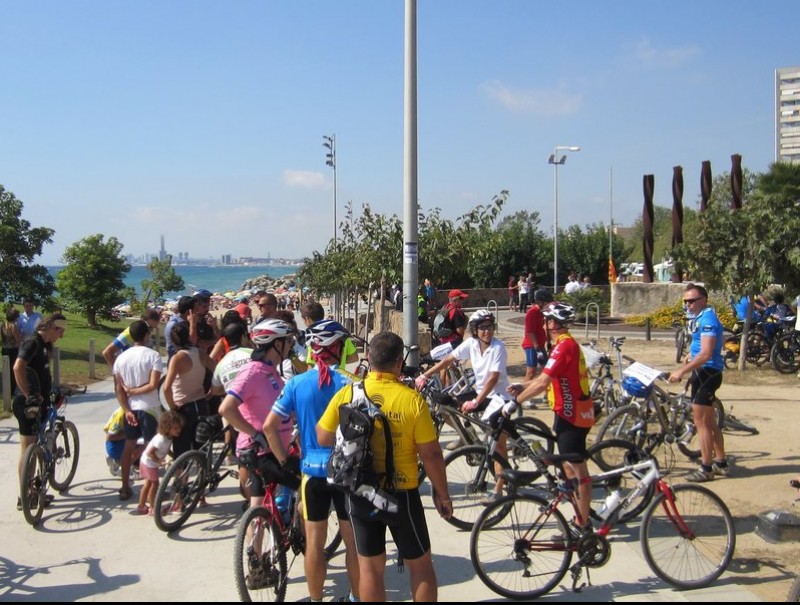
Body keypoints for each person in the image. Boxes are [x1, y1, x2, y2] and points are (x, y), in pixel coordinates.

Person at [317, 331, 452, 602]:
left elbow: (322, 436)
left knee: (370, 570)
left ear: (369, 358)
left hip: (361, 492)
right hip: (401, 493)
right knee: (422, 567)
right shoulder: (411, 400)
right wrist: (443, 495)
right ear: (399, 363)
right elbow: (432, 454)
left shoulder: (348, 393)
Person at [264, 320, 360, 603]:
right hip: (345, 472)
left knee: (315, 544)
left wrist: (285, 461)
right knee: (352, 544)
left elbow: (270, 426)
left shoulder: (296, 383)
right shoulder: (350, 384)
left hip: (311, 473)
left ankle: (317, 599)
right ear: (336, 348)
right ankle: (355, 597)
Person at [507, 302, 595, 533]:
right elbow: (546, 379)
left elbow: (543, 382)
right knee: (567, 466)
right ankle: (578, 509)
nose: (544, 325)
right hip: (564, 412)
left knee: (579, 471)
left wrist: (516, 402)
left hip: (573, 415)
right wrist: (521, 385)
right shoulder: (560, 344)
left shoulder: (564, 347)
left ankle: (582, 525)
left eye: (546, 321)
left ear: (553, 323)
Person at [416, 310, 511, 501]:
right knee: (447, 402)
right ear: (475, 330)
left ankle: (500, 488)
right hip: (481, 394)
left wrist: (475, 402)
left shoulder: (498, 347)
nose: (487, 331)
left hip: (499, 398)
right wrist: (424, 375)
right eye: (482, 328)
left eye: (489, 327)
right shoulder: (472, 344)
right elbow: (449, 360)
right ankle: (469, 436)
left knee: (498, 444)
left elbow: (493, 379)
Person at [219, 319, 299, 512]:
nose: (290, 347)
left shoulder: (270, 370)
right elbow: (226, 408)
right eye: (288, 342)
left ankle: (256, 542)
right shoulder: (253, 371)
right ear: (277, 344)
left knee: (258, 505)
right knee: (307, 490)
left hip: (273, 449)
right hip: (263, 452)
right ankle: (308, 542)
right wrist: (254, 434)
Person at [668, 283, 728, 482]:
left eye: (692, 301)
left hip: (707, 373)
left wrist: (681, 371)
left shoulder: (708, 318)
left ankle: (706, 468)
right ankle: (721, 462)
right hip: (702, 372)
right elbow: (698, 348)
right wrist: (688, 356)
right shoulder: (699, 317)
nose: (688, 305)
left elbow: (706, 354)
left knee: (701, 424)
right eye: (685, 301)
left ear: (704, 300)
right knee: (710, 423)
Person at [12, 313, 67, 510]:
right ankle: (25, 497)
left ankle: (34, 492)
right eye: (60, 331)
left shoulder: (44, 345)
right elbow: (18, 367)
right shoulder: (32, 342)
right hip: (27, 403)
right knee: (28, 449)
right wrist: (29, 395)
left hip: (41, 403)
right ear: (53, 327)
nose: (61, 336)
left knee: (35, 448)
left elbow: (42, 374)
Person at [113, 319, 166, 501]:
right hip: (149, 407)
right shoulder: (153, 356)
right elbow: (153, 385)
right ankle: (152, 489)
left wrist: (126, 408)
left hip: (130, 408)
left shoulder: (121, 358)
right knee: (153, 448)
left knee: (129, 447)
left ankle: (124, 486)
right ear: (146, 335)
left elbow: (118, 389)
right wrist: (135, 391)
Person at [162, 321, 216, 460]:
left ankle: (182, 479)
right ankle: (204, 476)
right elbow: (217, 370)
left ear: (173, 341)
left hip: (184, 406)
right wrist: (213, 390)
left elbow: (166, 387)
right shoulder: (200, 353)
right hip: (201, 403)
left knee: (182, 449)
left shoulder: (178, 358)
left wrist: (172, 407)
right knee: (202, 446)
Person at [137, 410, 184, 516]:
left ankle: (141, 506)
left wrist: (174, 456)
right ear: (167, 428)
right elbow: (150, 452)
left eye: (179, 427)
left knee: (148, 484)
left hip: (147, 462)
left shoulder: (169, 438)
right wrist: (159, 461)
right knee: (155, 484)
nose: (178, 430)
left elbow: (165, 450)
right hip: (149, 463)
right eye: (175, 428)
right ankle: (153, 508)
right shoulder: (161, 439)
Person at [521, 289, 554, 408]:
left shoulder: (543, 312)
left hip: (540, 345)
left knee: (546, 371)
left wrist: (548, 342)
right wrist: (536, 347)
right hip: (531, 346)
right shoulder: (532, 313)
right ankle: (525, 397)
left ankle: (547, 395)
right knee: (531, 372)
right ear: (539, 302)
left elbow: (546, 329)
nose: (549, 306)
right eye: (547, 303)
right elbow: (529, 332)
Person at [103, 406, 143, 478]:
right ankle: (124, 466)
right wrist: (131, 434)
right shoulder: (121, 413)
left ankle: (130, 463)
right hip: (114, 446)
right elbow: (109, 437)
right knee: (145, 443)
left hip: (123, 440)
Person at [164, 295, 194, 361]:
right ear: (189, 312)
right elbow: (191, 343)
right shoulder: (174, 325)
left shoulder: (183, 321)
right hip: (178, 362)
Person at [1, 307, 22, 395]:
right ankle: (12, 390)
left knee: (6, 370)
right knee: (13, 371)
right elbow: (18, 340)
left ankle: (5, 388)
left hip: (5, 349)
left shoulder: (3, 325)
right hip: (13, 350)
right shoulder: (13, 326)